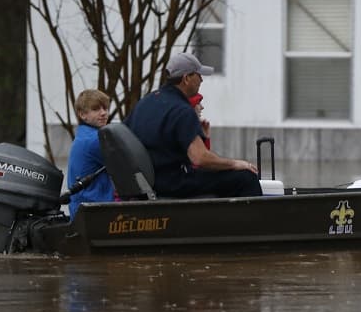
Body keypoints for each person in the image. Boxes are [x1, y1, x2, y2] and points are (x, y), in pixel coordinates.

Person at [125, 52, 261, 198]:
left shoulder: (145, 102)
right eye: (198, 75)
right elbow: (200, 158)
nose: (202, 79)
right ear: (186, 78)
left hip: (142, 183)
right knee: (246, 178)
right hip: (172, 183)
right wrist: (235, 164)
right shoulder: (182, 110)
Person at [67, 89, 115, 219]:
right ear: (82, 114)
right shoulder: (94, 140)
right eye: (96, 109)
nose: (103, 113)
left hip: (81, 210)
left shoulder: (83, 135)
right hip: (95, 213)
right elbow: (125, 165)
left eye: (105, 108)